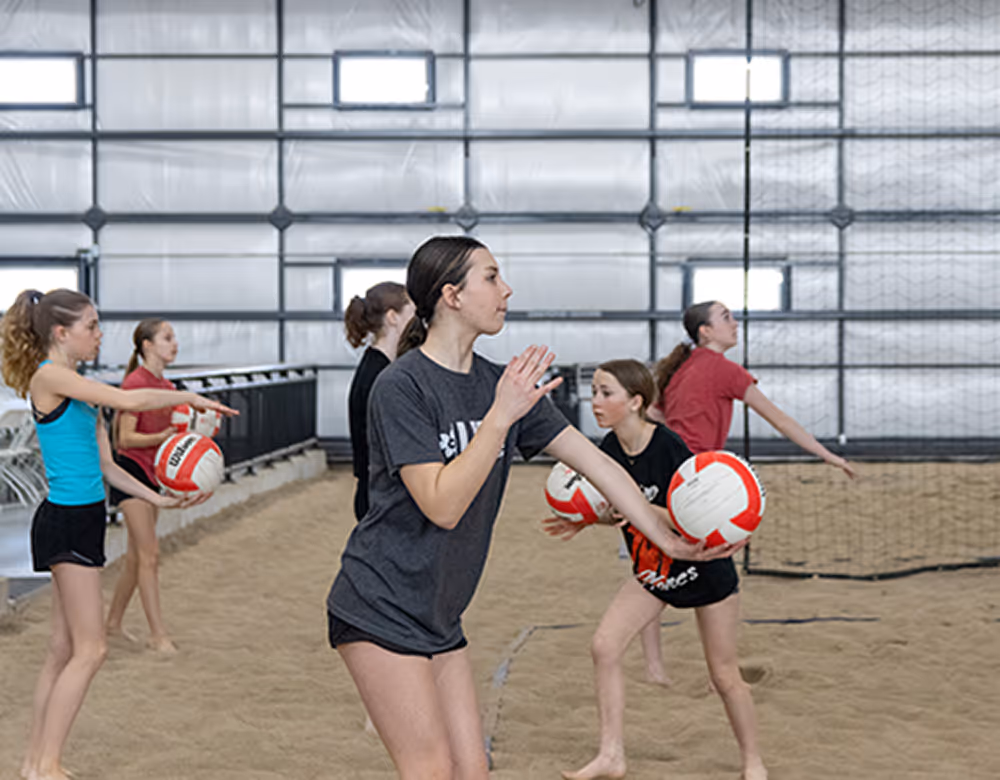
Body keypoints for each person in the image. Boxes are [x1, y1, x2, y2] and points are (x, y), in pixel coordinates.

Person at [325, 237, 741, 780]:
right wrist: (500, 417)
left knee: (472, 769)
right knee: (428, 769)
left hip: (440, 613)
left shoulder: (501, 385)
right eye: (492, 277)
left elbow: (600, 466)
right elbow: (442, 505)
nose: (507, 289)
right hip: (378, 603)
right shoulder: (402, 386)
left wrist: (664, 534)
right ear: (451, 295)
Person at [0, 289, 236, 780]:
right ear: (62, 333)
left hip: (83, 517)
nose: (100, 333)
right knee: (92, 649)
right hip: (66, 520)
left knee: (63, 649)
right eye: (92, 325)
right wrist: (187, 396)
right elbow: (130, 399)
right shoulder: (49, 376)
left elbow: (108, 465)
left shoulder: (78, 385)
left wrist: (158, 498)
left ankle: (32, 762)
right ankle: (46, 764)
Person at [545, 359, 767, 780]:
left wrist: (632, 507)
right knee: (604, 647)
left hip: (704, 567)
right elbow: (622, 515)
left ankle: (753, 762)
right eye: (593, 391)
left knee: (724, 675)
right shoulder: (607, 451)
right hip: (654, 572)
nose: (595, 402)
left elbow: (690, 518)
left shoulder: (667, 446)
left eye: (605, 393)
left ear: (635, 402)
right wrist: (590, 517)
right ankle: (611, 756)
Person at [650, 300, 856, 480]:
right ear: (706, 331)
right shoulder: (726, 371)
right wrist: (829, 456)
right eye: (726, 318)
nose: (735, 323)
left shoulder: (679, 367)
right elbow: (781, 421)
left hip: (666, 464)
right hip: (695, 471)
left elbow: (653, 414)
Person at [104, 318, 184, 653]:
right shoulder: (135, 383)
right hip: (132, 472)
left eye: (174, 337)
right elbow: (124, 438)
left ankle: (112, 624)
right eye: (167, 338)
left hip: (153, 475)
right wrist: (162, 436)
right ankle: (157, 635)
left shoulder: (167, 387)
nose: (174, 343)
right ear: (146, 345)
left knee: (137, 558)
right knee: (149, 554)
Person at [345, 282, 415, 522]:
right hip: (381, 499)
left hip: (376, 495)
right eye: (413, 314)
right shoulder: (381, 376)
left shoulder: (378, 367)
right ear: (393, 317)